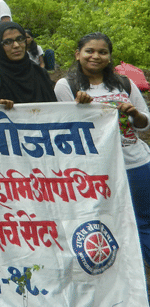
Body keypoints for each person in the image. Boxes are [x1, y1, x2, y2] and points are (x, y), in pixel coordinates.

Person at [54, 32, 150, 264]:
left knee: (145, 221)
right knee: (104, 221)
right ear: (78, 54)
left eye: (102, 52)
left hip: (135, 162)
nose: (95, 56)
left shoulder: (123, 83)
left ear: (109, 57)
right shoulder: (66, 86)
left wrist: (135, 113)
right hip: (96, 169)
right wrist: (81, 108)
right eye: (89, 51)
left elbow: (144, 123)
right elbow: (71, 130)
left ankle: (143, 272)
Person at [0, 22, 56, 106]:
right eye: (8, 42)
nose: (16, 45)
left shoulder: (40, 74)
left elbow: (55, 111)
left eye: (20, 39)